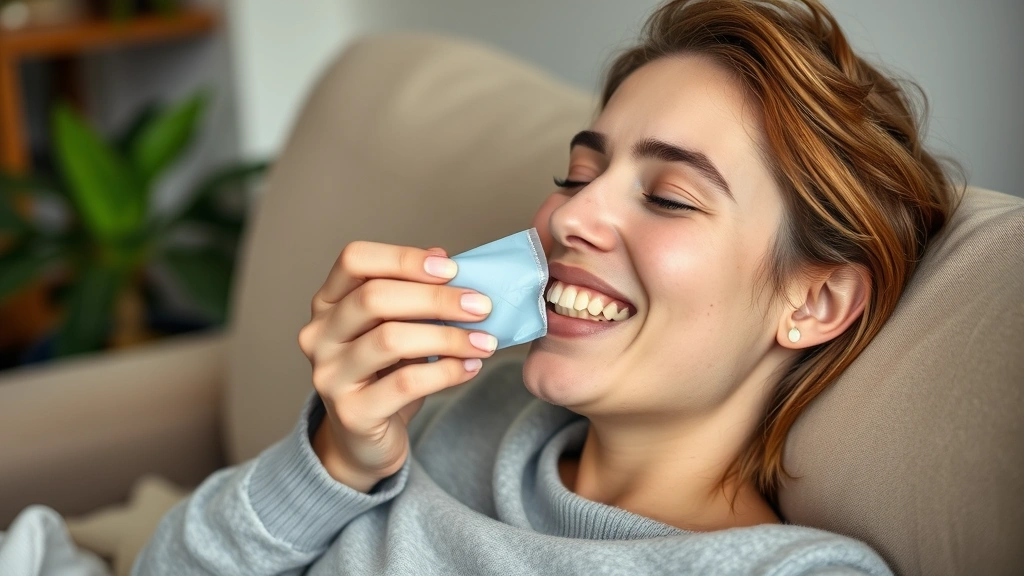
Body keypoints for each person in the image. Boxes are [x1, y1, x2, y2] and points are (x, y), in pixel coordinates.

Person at [134, 0, 960, 573]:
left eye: (669, 196)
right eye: (576, 175)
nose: (572, 217)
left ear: (812, 302)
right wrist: (336, 461)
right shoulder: (470, 417)